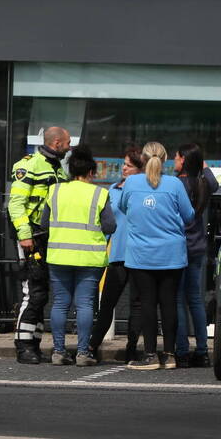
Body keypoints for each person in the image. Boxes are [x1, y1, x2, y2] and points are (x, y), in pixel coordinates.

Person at [119, 141, 195, 371]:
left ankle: (150, 354)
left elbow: (124, 207)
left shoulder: (131, 182)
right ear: (165, 160)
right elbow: (189, 214)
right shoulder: (174, 184)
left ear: (142, 159)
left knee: (148, 304)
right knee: (169, 303)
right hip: (171, 253)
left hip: (141, 254)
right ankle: (170, 355)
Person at [39, 145, 115, 366]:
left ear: (71, 171)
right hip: (89, 258)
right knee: (84, 305)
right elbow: (111, 226)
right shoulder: (100, 194)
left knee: (61, 303)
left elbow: (44, 223)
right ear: (91, 172)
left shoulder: (55, 191)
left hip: (59, 256)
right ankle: (83, 353)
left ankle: (58, 351)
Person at [8, 126, 71, 364]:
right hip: (32, 235)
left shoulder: (58, 169)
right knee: (32, 292)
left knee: (42, 293)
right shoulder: (29, 165)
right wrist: (25, 235)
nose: (69, 148)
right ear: (56, 143)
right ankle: (23, 346)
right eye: (67, 144)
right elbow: (16, 204)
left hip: (48, 237)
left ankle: (33, 344)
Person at [88, 146, 144, 362]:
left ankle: (132, 347)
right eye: (124, 164)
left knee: (137, 306)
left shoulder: (143, 190)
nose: (124, 168)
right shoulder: (113, 188)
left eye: (129, 166)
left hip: (139, 255)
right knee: (107, 304)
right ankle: (93, 346)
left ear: (140, 169)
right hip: (117, 254)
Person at [174, 143, 218, 368]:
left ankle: (182, 350)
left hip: (178, 247)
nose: (173, 159)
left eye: (176, 157)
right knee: (195, 299)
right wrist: (204, 166)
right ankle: (202, 350)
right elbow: (216, 183)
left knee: (178, 300)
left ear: (183, 160)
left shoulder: (177, 184)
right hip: (198, 246)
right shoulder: (204, 182)